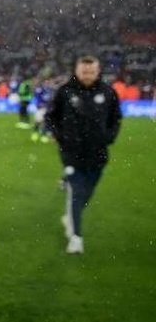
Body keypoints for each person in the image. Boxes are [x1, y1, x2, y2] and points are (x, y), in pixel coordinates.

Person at [45, 55, 121, 254]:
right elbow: (50, 116)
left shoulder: (108, 92)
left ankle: (70, 215)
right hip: (71, 153)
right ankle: (76, 238)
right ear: (77, 71)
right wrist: (59, 136)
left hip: (98, 153)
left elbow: (116, 118)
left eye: (91, 72)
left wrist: (109, 137)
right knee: (78, 192)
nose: (88, 75)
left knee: (87, 193)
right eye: (84, 71)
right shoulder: (65, 91)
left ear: (97, 71)